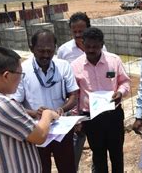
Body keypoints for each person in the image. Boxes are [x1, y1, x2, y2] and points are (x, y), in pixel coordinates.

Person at [0, 47, 59, 172]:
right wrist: (47, 115)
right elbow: (40, 136)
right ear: (6, 76)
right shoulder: (1, 105)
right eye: (20, 74)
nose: (21, 79)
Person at [12, 29, 79, 173]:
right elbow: (14, 104)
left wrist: (62, 109)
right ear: (31, 48)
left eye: (50, 51)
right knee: (41, 169)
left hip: (62, 129)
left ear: (55, 48)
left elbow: (74, 95)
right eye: (41, 51)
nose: (46, 55)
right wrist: (35, 113)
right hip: (35, 130)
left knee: (67, 168)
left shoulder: (63, 66)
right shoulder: (22, 69)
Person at [71, 27, 130, 173]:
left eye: (95, 47)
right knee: (98, 156)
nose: (91, 50)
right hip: (91, 118)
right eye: (88, 46)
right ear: (83, 44)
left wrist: (120, 93)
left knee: (117, 154)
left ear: (102, 44)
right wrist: (76, 119)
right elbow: (74, 94)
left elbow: (125, 82)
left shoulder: (114, 61)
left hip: (113, 116)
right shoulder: (75, 66)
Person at [56, 11, 106, 169]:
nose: (78, 35)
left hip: (99, 108)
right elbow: (62, 80)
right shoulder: (64, 51)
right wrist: (73, 113)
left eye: (81, 31)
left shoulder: (100, 47)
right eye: (74, 31)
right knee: (75, 146)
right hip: (77, 109)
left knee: (99, 148)